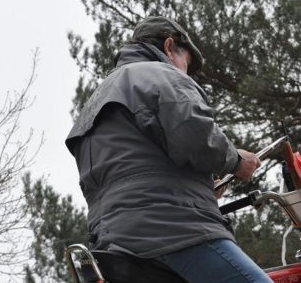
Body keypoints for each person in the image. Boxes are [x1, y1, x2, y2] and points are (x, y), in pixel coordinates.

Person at [65, 16, 273, 283]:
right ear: (169, 46)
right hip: (172, 230)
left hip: (113, 245)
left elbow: (127, 170)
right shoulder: (160, 74)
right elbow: (196, 135)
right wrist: (234, 160)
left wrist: (203, 185)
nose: (185, 72)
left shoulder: (94, 102)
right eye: (186, 62)